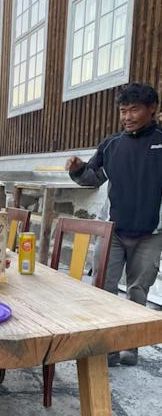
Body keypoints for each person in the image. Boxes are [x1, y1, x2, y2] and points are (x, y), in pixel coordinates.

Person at [66, 82, 162, 367]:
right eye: (123, 110)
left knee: (137, 291)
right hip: (113, 231)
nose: (127, 116)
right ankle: (106, 346)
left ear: (152, 109)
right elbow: (92, 178)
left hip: (151, 233)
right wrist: (78, 169)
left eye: (134, 109)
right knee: (103, 288)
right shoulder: (111, 144)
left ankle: (129, 346)